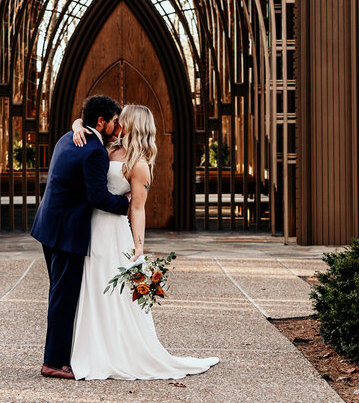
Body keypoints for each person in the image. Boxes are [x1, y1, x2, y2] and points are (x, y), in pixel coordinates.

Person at [69, 103, 219, 381]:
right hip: (90, 227)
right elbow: (86, 127)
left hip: (114, 232)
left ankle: (114, 352)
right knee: (93, 286)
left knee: (114, 291)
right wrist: (77, 126)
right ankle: (92, 347)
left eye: (122, 120)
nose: (117, 124)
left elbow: (137, 208)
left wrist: (139, 247)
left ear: (132, 124)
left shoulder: (139, 165)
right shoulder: (109, 147)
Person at [30, 94, 130, 379]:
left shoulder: (68, 137)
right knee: (63, 297)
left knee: (59, 294)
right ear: (101, 121)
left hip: (49, 227)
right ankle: (53, 362)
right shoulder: (94, 151)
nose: (118, 128)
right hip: (67, 233)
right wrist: (128, 203)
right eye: (114, 122)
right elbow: (98, 197)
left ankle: (62, 354)